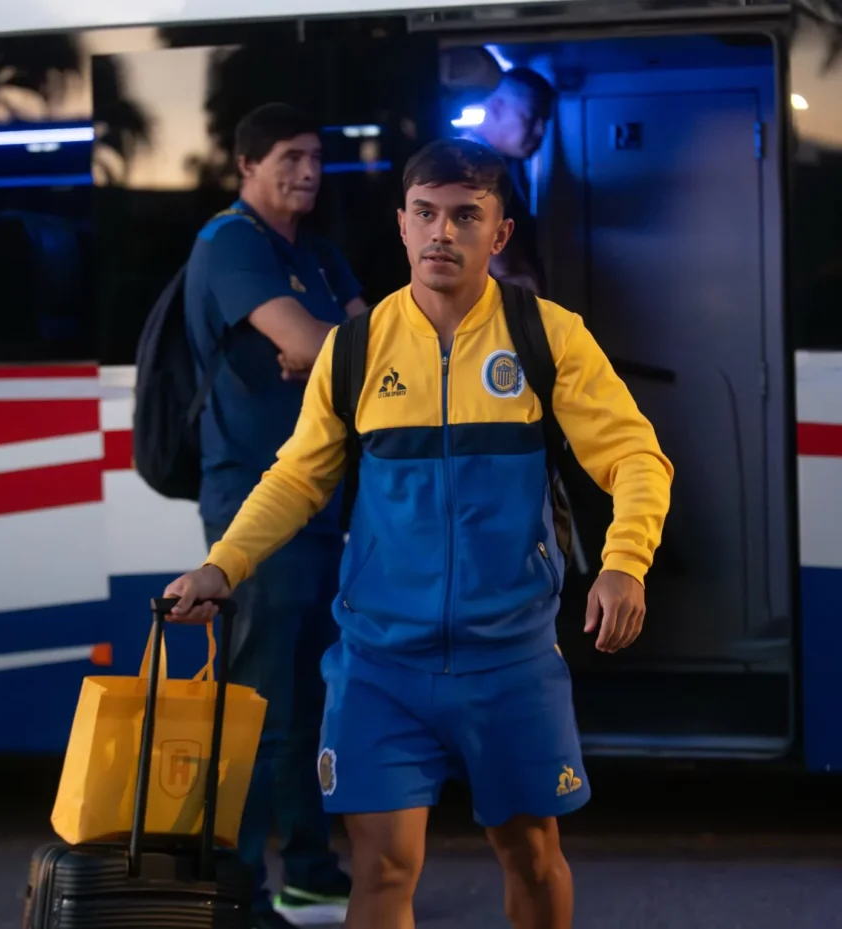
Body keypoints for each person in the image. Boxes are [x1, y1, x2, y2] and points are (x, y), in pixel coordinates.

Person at [166, 138, 674, 929]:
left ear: (499, 234)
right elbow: (298, 477)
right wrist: (221, 565)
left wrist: (625, 561)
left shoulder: (548, 335)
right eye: (427, 214)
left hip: (509, 657)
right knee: (384, 868)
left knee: (533, 859)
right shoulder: (357, 346)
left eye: (466, 216)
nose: (443, 233)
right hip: (380, 663)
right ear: (401, 225)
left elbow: (635, 456)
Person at [182, 102, 366, 928]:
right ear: (246, 166)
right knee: (256, 702)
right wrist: (325, 346)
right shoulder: (231, 243)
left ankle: (311, 872)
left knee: (315, 694)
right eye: (289, 157)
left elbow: (357, 346)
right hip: (255, 504)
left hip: (324, 501)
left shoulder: (318, 251)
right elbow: (315, 342)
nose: (307, 172)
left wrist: (326, 350)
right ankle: (237, 887)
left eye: (317, 157)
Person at [457, 66, 556, 295]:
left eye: (545, 121)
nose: (541, 131)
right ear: (497, 107)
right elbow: (502, 265)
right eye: (532, 117)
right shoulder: (470, 168)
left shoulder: (502, 168)